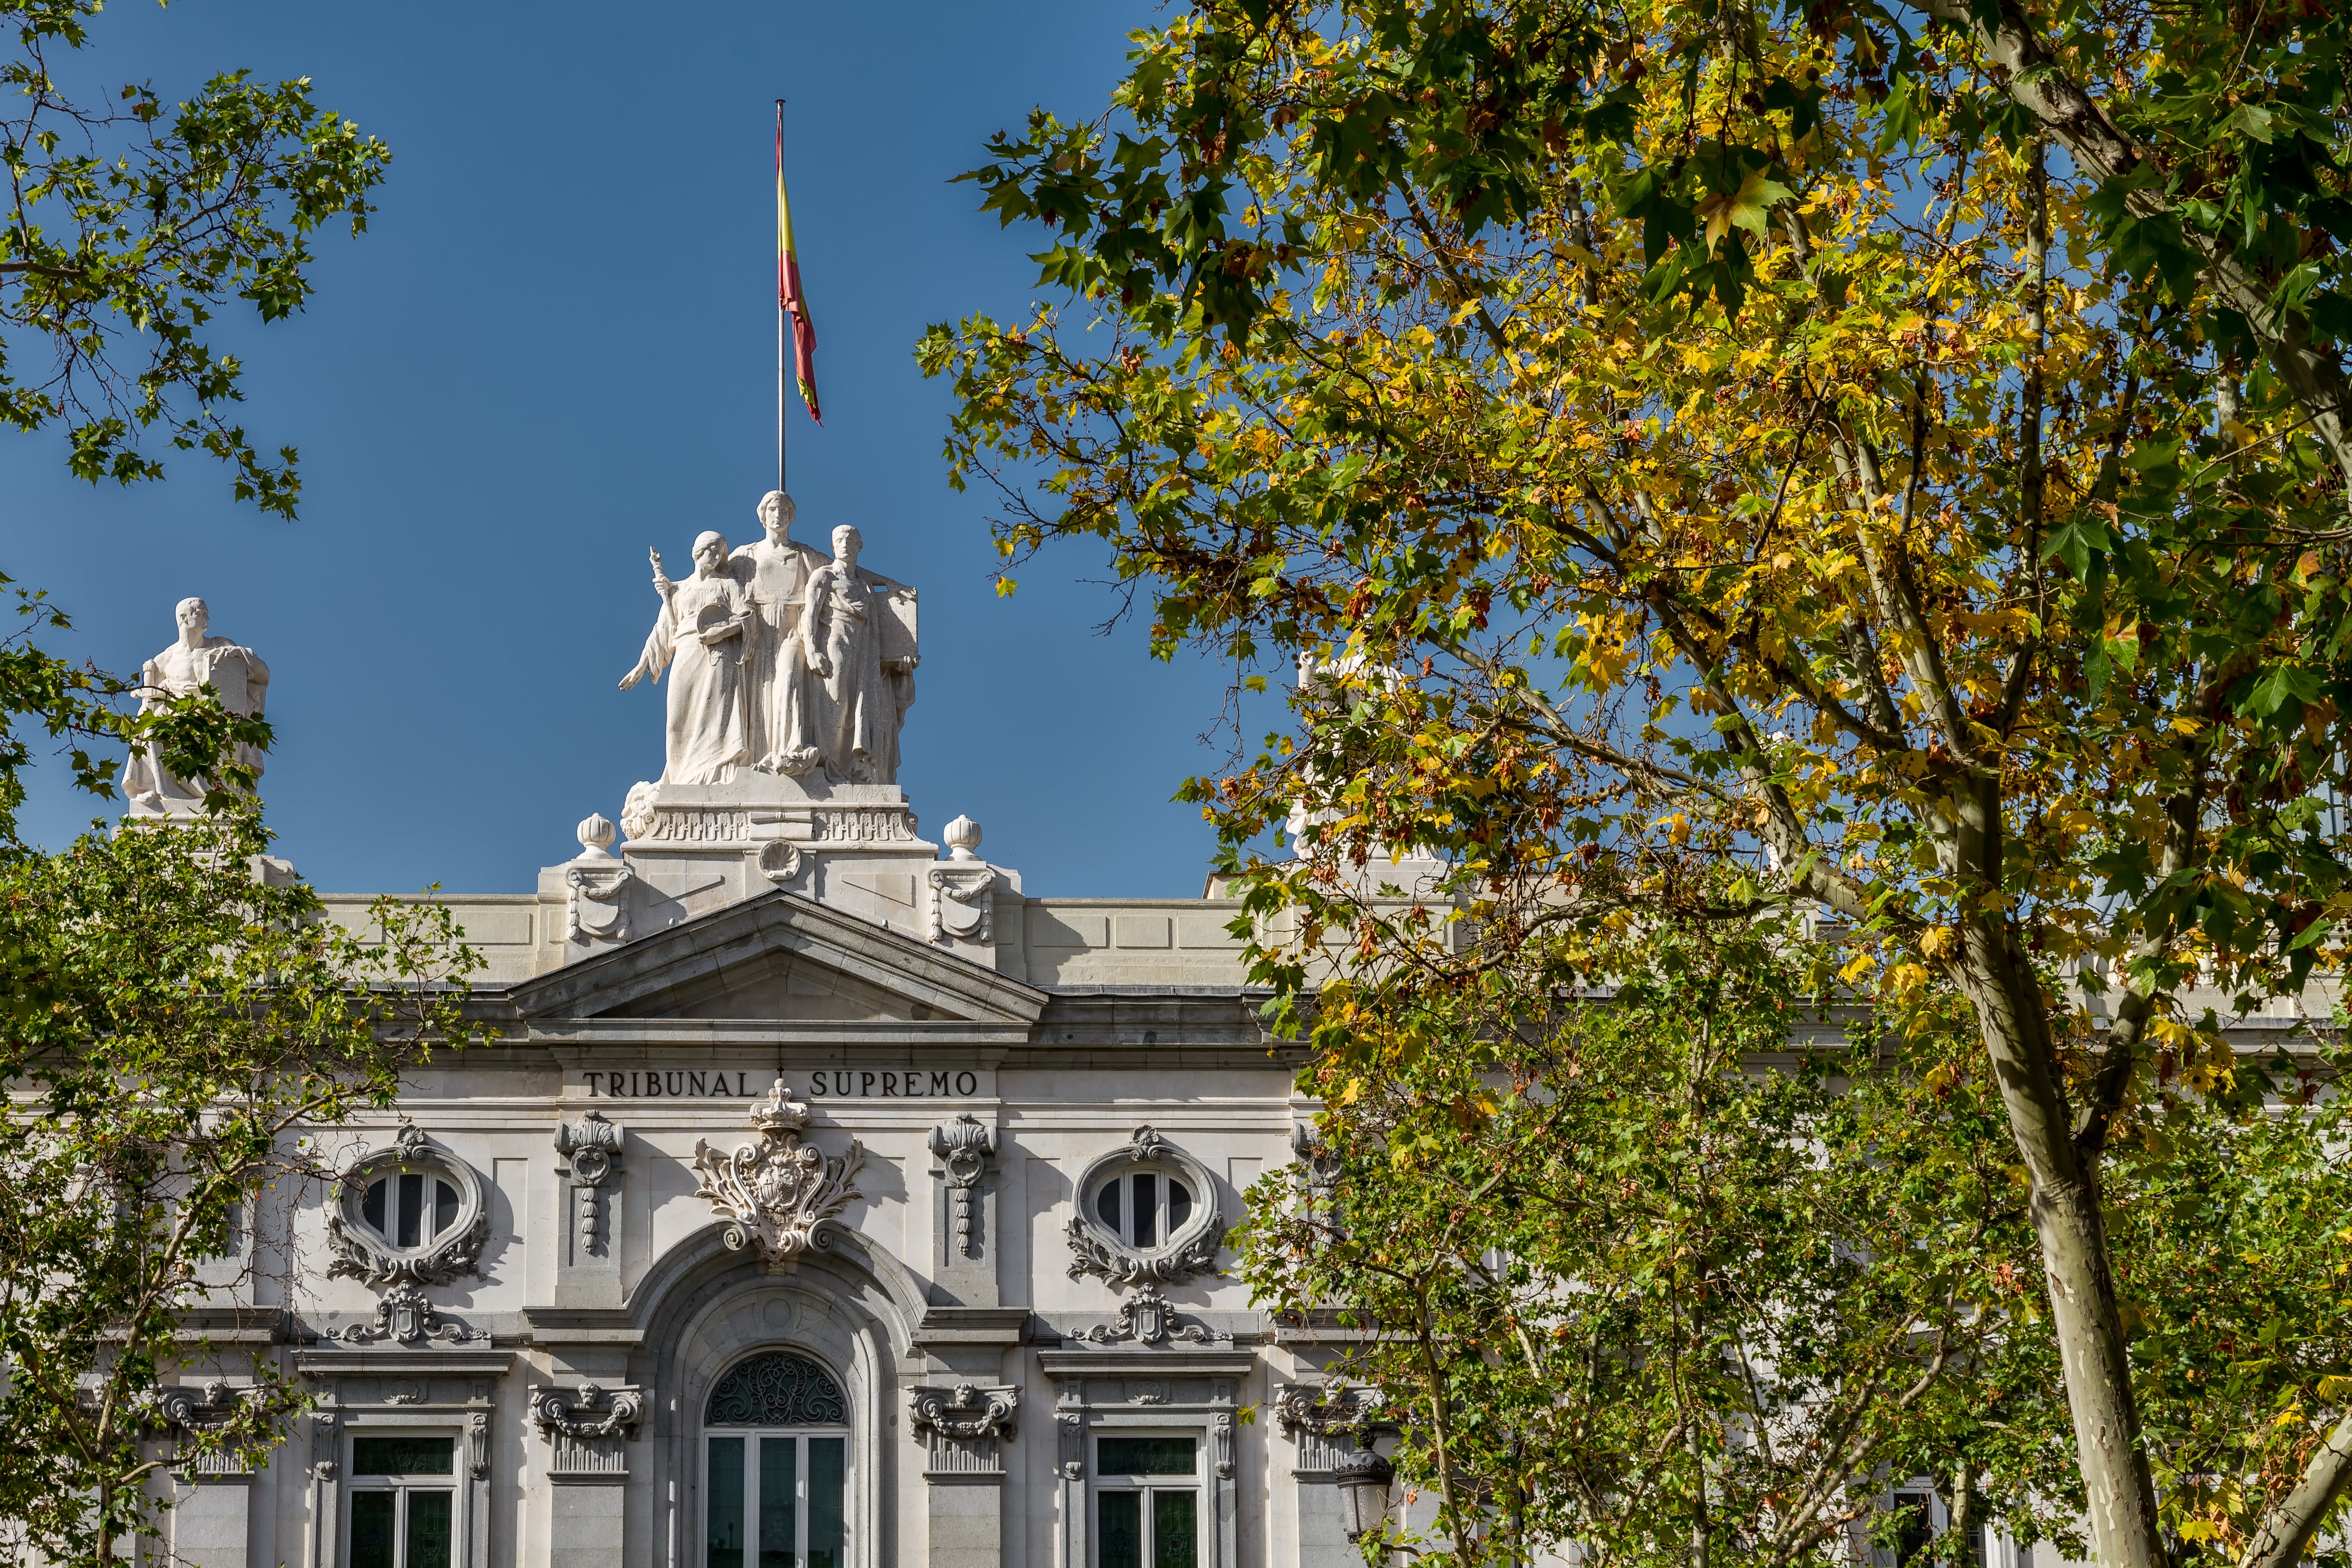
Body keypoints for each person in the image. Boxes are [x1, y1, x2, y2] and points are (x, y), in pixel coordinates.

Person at [619, 532, 754, 785]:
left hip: (719, 654)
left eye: (719, 552)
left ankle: (717, 777)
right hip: (686, 650)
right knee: (677, 721)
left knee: (716, 717)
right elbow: (662, 631)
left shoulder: (729, 586)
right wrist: (641, 666)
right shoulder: (679, 590)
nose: (714, 556)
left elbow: (747, 617)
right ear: (697, 552)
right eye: (710, 550)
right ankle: (681, 778)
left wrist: (723, 631)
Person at [123, 597, 270, 811]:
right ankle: (156, 790)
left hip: (214, 719)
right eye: (200, 613)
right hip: (176, 718)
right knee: (152, 727)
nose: (207, 616)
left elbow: (263, 672)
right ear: (183, 618)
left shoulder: (221, 646)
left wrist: (242, 656)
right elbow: (151, 697)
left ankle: (219, 791)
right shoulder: (166, 658)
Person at [799, 525, 917, 784]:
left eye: (851, 540)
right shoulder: (823, 576)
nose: (845, 544)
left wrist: (889, 583)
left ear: (859, 546)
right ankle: (828, 768)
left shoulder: (863, 583)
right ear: (832, 547)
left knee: (859, 706)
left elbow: (858, 573)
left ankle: (850, 768)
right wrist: (812, 650)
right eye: (839, 540)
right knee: (835, 701)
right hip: (836, 641)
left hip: (864, 648)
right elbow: (809, 614)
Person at [729, 491, 825, 776]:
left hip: (794, 630)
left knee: (789, 680)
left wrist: (888, 583)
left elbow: (845, 573)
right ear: (763, 515)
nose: (778, 514)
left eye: (784, 509)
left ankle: (792, 750)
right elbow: (711, 580)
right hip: (759, 630)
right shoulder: (746, 556)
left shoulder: (806, 556)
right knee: (760, 692)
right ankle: (761, 756)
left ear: (791, 516)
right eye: (773, 508)